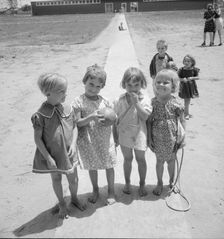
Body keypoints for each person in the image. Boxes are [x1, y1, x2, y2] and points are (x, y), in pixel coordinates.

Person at [31, 73, 86, 219]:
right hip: (52, 154)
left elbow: (75, 127)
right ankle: (62, 203)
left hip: (69, 153)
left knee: (73, 179)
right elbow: (37, 139)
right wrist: (48, 158)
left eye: (65, 90)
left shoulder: (68, 108)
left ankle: (74, 198)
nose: (65, 94)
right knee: (56, 179)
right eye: (61, 91)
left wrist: (74, 144)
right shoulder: (40, 115)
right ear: (47, 93)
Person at [72, 64, 117, 205]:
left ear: (102, 87)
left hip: (105, 140)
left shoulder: (105, 101)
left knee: (109, 165)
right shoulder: (78, 101)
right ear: (85, 81)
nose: (93, 89)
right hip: (89, 140)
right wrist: (91, 117)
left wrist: (115, 135)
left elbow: (113, 119)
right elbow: (78, 123)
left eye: (98, 86)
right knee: (93, 166)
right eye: (91, 84)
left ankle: (111, 191)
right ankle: (95, 189)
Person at [113, 67, 151, 197]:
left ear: (142, 84)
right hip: (125, 134)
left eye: (136, 85)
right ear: (124, 84)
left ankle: (142, 184)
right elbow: (115, 119)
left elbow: (145, 116)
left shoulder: (144, 98)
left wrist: (136, 103)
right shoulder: (120, 100)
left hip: (140, 134)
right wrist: (115, 137)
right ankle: (127, 183)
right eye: (129, 85)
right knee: (127, 159)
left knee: (141, 159)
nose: (133, 88)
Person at [147, 69, 186, 196]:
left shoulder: (176, 102)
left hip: (172, 138)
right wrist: (149, 138)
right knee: (159, 162)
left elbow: (182, 120)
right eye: (158, 82)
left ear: (173, 86)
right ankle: (159, 183)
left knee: (171, 161)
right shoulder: (152, 102)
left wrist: (183, 137)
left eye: (165, 82)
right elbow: (149, 121)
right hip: (157, 138)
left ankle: (171, 182)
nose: (161, 85)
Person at [178, 54, 200, 120]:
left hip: (191, 87)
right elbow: (177, 78)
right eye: (185, 61)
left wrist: (192, 78)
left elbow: (198, 77)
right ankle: (186, 113)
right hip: (184, 87)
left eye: (188, 61)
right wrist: (182, 79)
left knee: (187, 100)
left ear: (192, 62)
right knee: (186, 100)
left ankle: (186, 112)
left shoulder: (194, 69)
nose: (186, 62)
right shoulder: (181, 69)